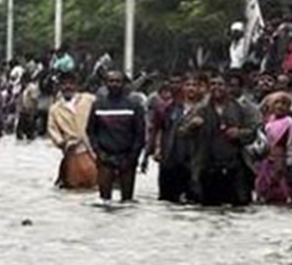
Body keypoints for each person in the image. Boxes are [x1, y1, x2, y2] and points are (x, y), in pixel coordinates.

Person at [193, 74, 256, 206]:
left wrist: (239, 133)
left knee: (240, 206)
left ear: (227, 87)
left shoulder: (241, 108)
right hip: (208, 166)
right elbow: (182, 132)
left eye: (220, 84)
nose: (217, 87)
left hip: (235, 165)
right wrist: (192, 125)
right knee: (209, 207)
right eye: (213, 84)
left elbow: (254, 132)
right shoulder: (200, 109)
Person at [86, 71, 146, 202]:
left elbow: (140, 134)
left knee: (127, 201)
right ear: (105, 84)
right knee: (104, 201)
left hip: (127, 157)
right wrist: (98, 152)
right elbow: (91, 131)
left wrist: (133, 157)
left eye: (118, 81)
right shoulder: (98, 105)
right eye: (111, 81)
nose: (114, 84)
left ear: (124, 84)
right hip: (105, 157)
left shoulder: (134, 105)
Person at [156, 75, 206, 203]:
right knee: (168, 200)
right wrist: (158, 149)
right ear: (183, 88)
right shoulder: (171, 108)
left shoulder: (205, 109)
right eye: (188, 85)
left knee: (194, 199)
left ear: (200, 88)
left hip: (195, 160)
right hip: (172, 158)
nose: (191, 88)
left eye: (194, 85)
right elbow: (161, 129)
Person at [48, 73, 97, 189]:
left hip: (94, 148)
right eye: (64, 84)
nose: (67, 87)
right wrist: (62, 143)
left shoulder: (89, 99)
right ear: (60, 87)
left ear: (76, 85)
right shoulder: (55, 109)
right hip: (72, 150)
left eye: (70, 83)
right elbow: (52, 130)